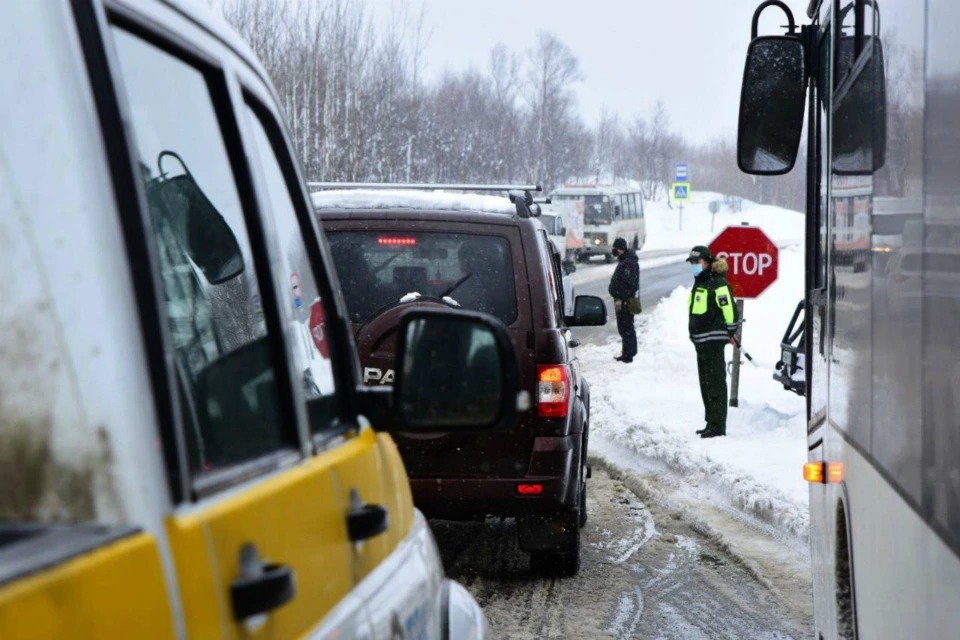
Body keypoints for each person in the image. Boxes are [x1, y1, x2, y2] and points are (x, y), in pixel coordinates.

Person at [686, 245, 740, 438]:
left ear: (707, 262)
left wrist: (729, 331)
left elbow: (731, 312)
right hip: (701, 343)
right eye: (692, 262)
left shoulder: (717, 283)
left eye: (697, 262)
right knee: (706, 384)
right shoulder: (700, 282)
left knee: (715, 384)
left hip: (713, 342)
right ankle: (711, 421)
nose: (694, 265)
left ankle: (718, 426)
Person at [608, 237, 641, 363]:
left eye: (615, 249)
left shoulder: (629, 263)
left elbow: (629, 284)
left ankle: (629, 355)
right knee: (624, 328)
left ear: (621, 249)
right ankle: (626, 352)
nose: (613, 251)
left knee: (626, 327)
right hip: (622, 301)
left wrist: (619, 294)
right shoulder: (625, 261)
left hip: (625, 302)